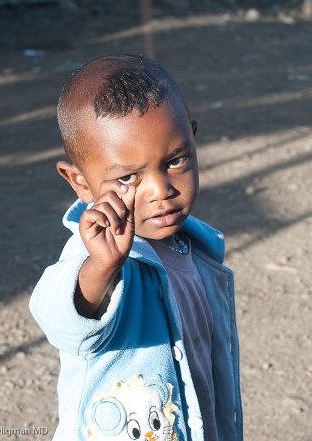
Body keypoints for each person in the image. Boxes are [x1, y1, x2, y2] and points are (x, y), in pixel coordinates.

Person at [29, 54, 243, 441]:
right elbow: (58, 318)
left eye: (176, 161)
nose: (161, 191)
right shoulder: (97, 253)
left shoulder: (194, 246)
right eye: (127, 177)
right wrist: (101, 268)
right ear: (79, 181)